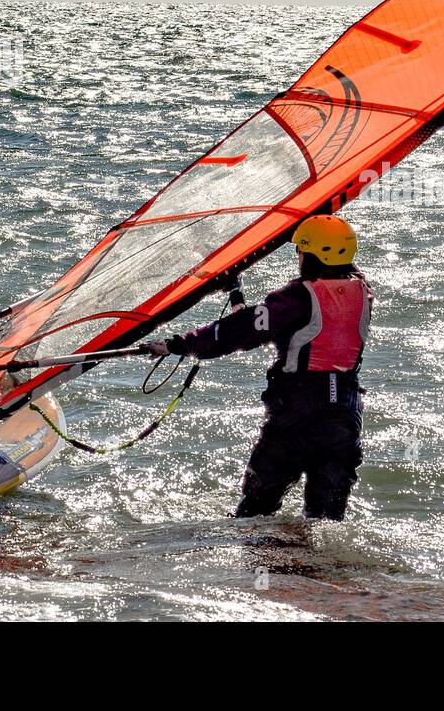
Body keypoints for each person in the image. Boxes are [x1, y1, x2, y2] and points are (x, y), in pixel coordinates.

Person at [144, 215, 373, 521]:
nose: (298, 258)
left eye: (301, 252)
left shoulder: (299, 297)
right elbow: (259, 324)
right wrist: (235, 294)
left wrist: (178, 345)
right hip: (343, 417)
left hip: (297, 417)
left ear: (313, 255)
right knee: (325, 518)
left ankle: (256, 564)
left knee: (255, 512)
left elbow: (243, 331)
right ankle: (317, 567)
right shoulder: (363, 292)